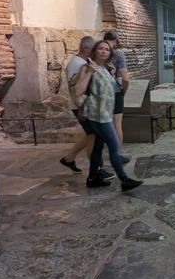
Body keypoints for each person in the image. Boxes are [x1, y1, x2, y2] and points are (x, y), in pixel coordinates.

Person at [72, 40, 142, 193]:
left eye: (107, 49)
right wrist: (89, 72)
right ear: (94, 51)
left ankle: (92, 178)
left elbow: (110, 88)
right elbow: (78, 91)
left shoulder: (106, 68)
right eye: (100, 48)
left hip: (105, 113)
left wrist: (111, 74)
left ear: (110, 53)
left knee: (97, 148)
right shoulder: (86, 67)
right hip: (96, 115)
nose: (104, 51)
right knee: (114, 146)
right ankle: (124, 180)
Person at [59, 36, 112, 180]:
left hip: (86, 107)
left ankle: (69, 159)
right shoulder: (77, 64)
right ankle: (97, 169)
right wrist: (82, 108)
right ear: (86, 49)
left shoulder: (83, 62)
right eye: (96, 48)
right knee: (94, 137)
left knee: (91, 135)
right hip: (83, 108)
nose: (98, 51)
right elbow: (75, 89)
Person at [103, 30, 130, 164]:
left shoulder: (95, 53)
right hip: (114, 92)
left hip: (99, 93)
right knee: (117, 124)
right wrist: (123, 92)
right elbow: (125, 79)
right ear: (116, 40)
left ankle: (102, 151)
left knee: (103, 123)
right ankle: (117, 153)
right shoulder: (118, 55)